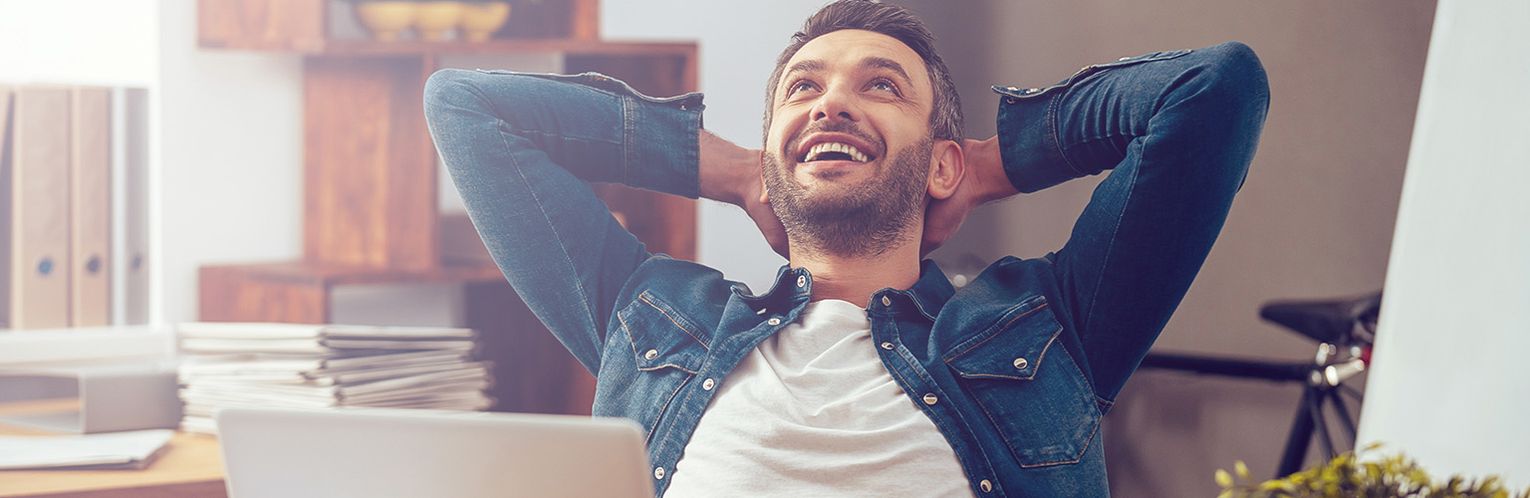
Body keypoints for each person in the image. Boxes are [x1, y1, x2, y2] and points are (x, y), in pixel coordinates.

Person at [424, 1, 1268, 496]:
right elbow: (464, 106)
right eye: (804, 89)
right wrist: (728, 168)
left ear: (938, 159)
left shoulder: (1049, 328)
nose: (830, 104)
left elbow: (1213, 90)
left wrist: (986, 165)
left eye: (880, 86)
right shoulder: (652, 319)